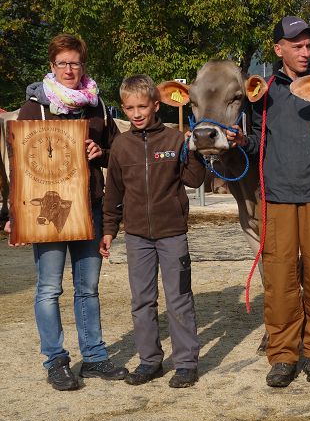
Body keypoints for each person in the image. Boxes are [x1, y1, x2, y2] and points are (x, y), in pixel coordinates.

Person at [4, 33, 127, 390]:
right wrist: (15, 214)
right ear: (52, 66)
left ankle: (95, 358)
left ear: (83, 65)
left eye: (75, 63)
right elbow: (18, 166)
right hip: (49, 210)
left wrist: (100, 153)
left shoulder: (97, 106)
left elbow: (118, 151)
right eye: (62, 63)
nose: (69, 69)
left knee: (88, 287)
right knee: (48, 288)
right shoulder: (33, 109)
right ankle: (55, 360)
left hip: (89, 206)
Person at [227, 16, 310, 387]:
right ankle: (282, 357)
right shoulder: (263, 93)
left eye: (308, 45)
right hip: (276, 198)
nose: (305, 52)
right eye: (297, 45)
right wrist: (242, 142)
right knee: (279, 281)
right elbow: (259, 143)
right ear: (279, 50)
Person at [100, 75, 207, 388]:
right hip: (137, 237)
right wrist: (109, 229)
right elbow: (113, 192)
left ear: (156, 106)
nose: (136, 113)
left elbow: (195, 180)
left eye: (142, 107)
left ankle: (186, 364)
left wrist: (194, 150)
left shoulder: (175, 140)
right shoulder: (120, 146)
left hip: (172, 233)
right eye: (130, 108)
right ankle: (150, 361)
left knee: (179, 299)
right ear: (123, 108)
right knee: (142, 301)